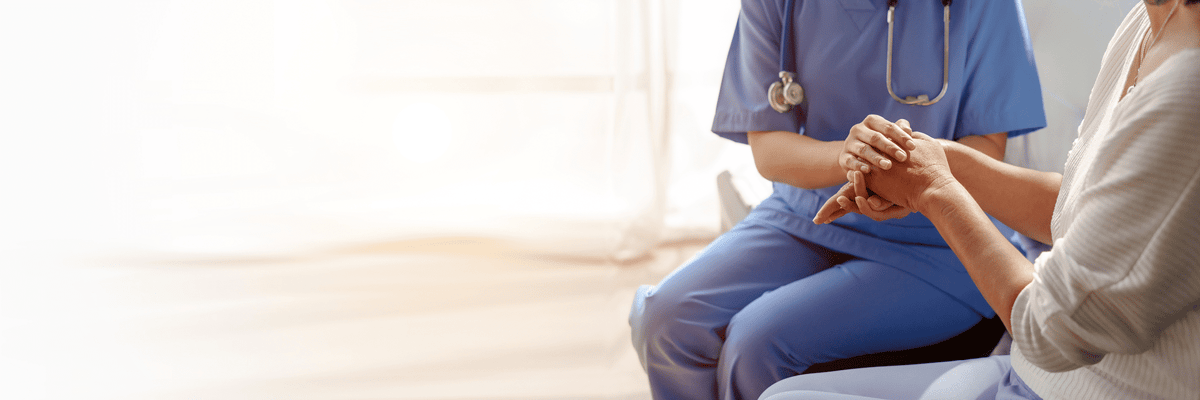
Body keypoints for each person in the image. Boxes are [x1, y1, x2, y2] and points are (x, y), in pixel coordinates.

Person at [760, 1, 1200, 399]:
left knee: (762, 345)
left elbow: (1055, 331)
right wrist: (938, 158)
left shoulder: (1186, 91)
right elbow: (1084, 212)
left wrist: (935, 190)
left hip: (1084, 384)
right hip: (1029, 373)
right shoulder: (1149, 20)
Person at [627, 1, 1046, 399]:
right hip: (806, 214)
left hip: (938, 239)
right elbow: (769, 149)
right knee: (665, 319)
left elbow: (986, 146)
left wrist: (900, 172)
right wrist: (851, 156)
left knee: (756, 343)